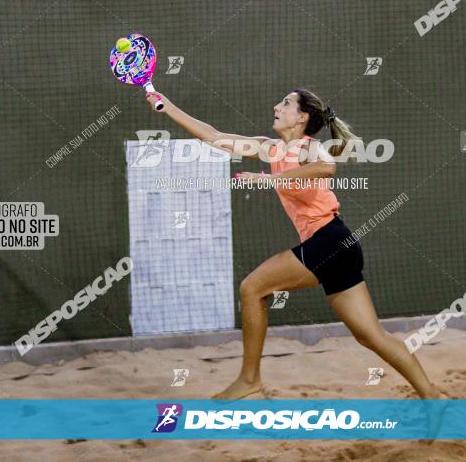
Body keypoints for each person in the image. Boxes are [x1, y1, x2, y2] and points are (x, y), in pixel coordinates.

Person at [145, 88, 442, 402]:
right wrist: (169, 108)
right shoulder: (271, 149)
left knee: (252, 288)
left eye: (285, 103)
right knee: (371, 336)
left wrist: (273, 180)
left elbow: (327, 166)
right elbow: (214, 136)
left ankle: (249, 380)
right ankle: (432, 397)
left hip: (329, 241)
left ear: (302, 118)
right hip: (339, 246)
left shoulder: (309, 148)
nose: (276, 105)